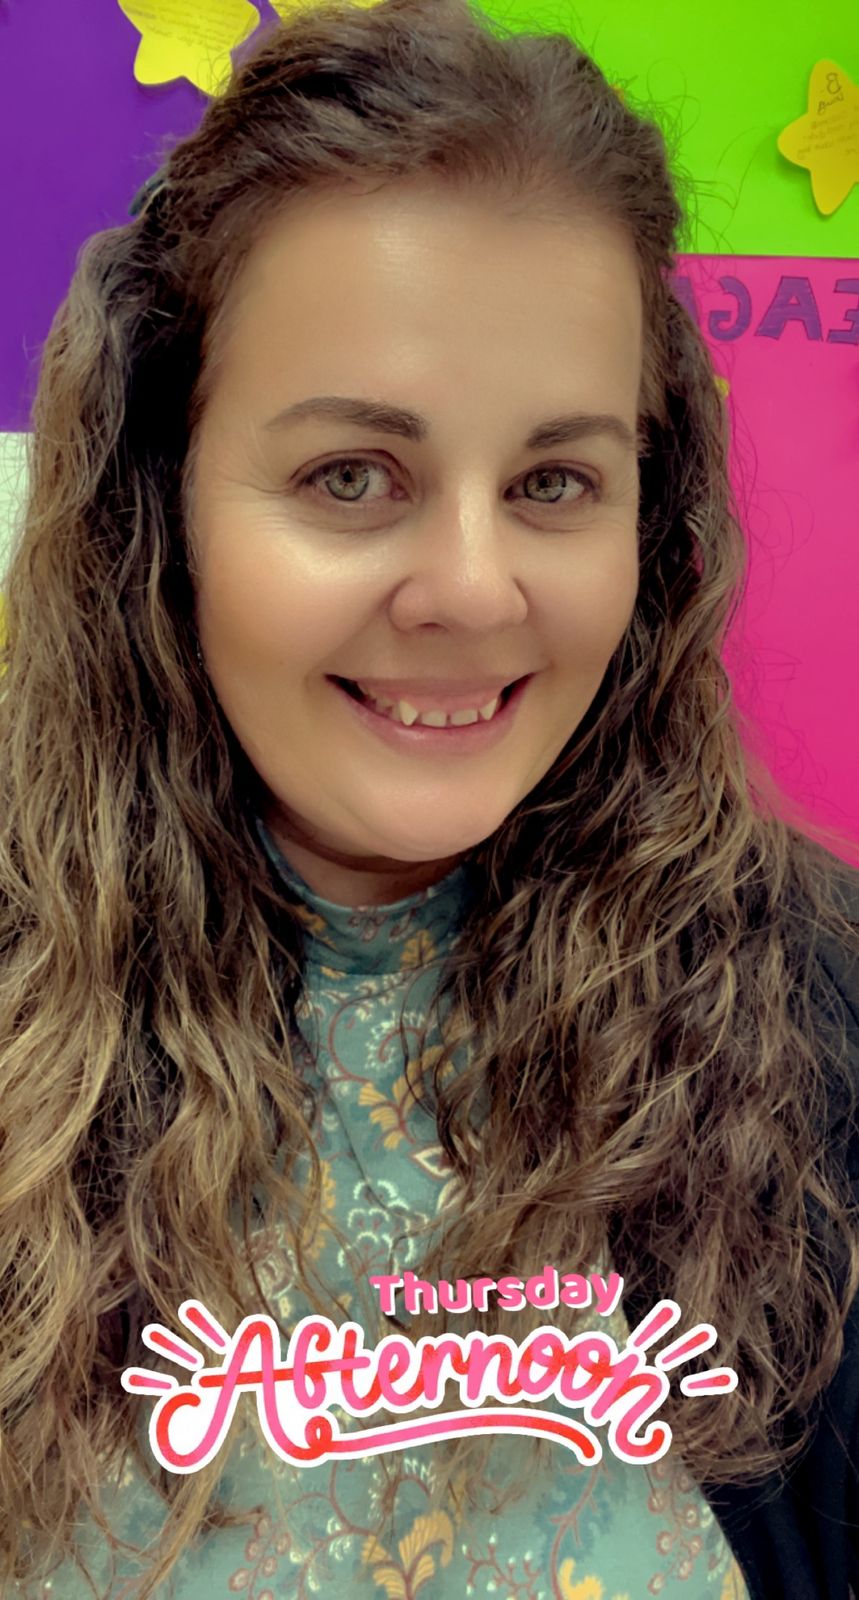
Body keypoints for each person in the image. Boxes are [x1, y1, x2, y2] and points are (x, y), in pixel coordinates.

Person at [1, 0, 857, 1595]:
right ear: (158, 500)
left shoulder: (827, 1027)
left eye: (553, 482)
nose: (471, 588)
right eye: (352, 476)